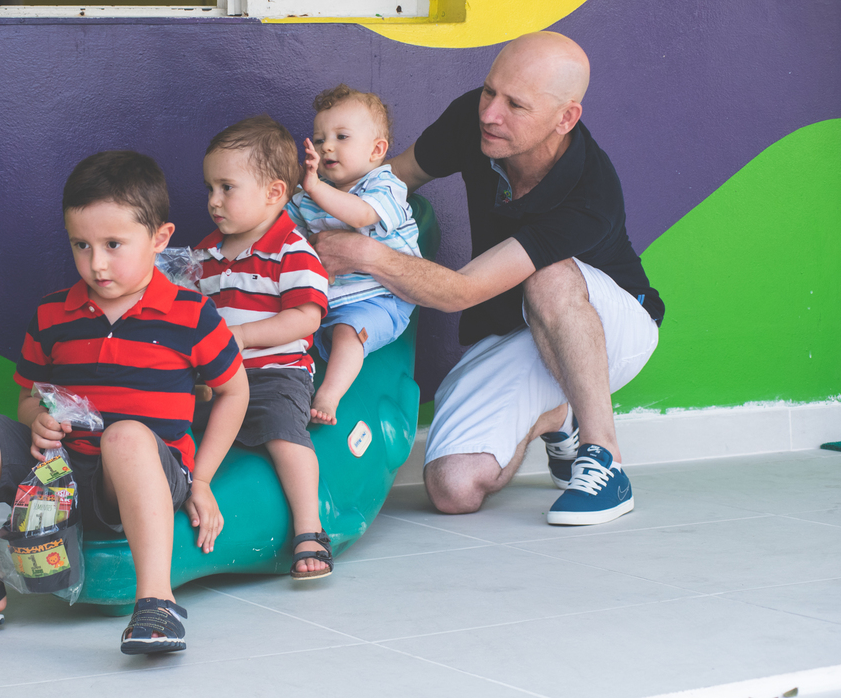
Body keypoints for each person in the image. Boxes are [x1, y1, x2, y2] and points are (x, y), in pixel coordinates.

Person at [0, 151, 249, 654]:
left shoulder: (191, 314)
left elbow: (234, 391)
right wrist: (37, 420)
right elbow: (29, 396)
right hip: (59, 471)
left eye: (113, 244)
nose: (96, 263)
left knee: (126, 435)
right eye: (81, 246)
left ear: (160, 238)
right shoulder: (52, 315)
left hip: (137, 472)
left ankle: (157, 599)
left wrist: (204, 478)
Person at [310, 32, 664, 526]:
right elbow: (393, 178)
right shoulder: (474, 121)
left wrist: (367, 254)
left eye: (515, 104)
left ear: (565, 118)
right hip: (518, 329)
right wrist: (315, 209)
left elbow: (464, 291)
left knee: (547, 274)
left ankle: (604, 457)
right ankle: (555, 416)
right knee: (453, 487)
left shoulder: (590, 193)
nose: (490, 113)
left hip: (611, 328)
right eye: (488, 91)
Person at [194, 115, 335, 578]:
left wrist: (244, 336)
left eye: (226, 188)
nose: (213, 201)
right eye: (210, 188)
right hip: (218, 379)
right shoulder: (205, 255)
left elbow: (307, 316)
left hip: (276, 371)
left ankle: (309, 526)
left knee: (282, 430)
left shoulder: (290, 250)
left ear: (274, 193)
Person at [286, 85, 422, 425]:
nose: (326, 146)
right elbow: (284, 234)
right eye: (319, 139)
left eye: (341, 136)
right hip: (328, 297)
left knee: (349, 332)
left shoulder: (385, 185)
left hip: (380, 297)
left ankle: (328, 397)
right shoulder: (308, 195)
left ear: (377, 149)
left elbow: (361, 216)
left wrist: (315, 187)